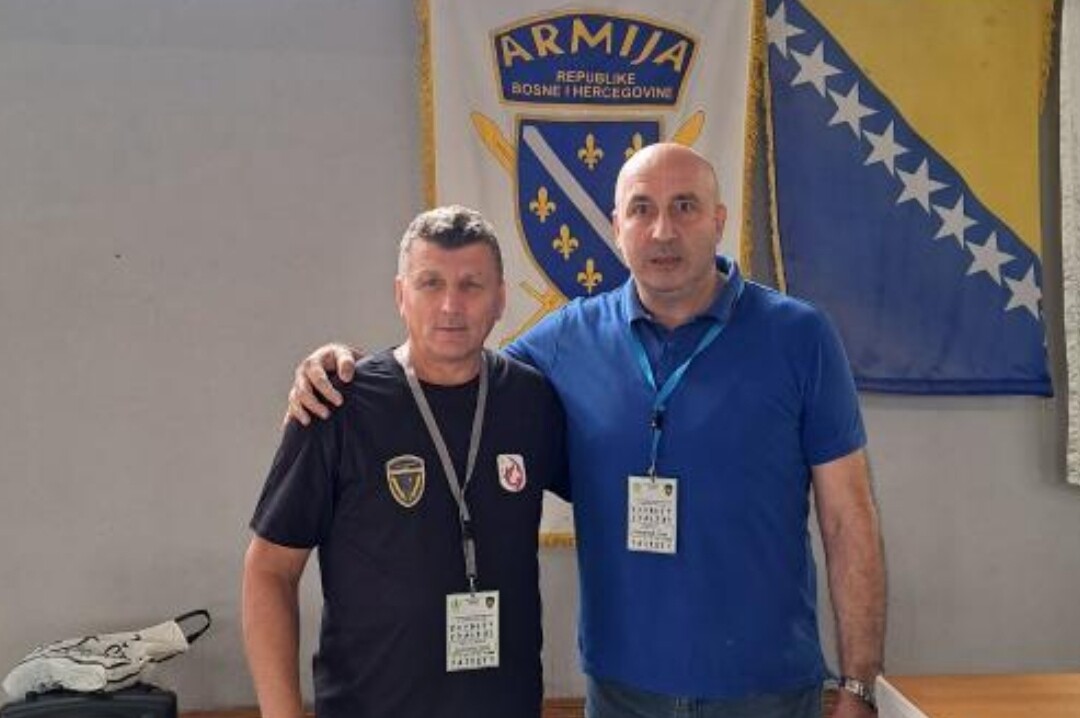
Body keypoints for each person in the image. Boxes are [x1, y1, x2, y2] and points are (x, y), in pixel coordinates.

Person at [286, 144, 886, 718]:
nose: (663, 231)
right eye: (642, 209)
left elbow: (848, 518)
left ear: (718, 220)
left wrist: (859, 682)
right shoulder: (565, 341)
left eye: (684, 206)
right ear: (617, 227)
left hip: (767, 688)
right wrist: (347, 368)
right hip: (623, 691)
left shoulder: (800, 337)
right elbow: (450, 374)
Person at [243, 205, 568, 718]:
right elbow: (269, 570)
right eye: (430, 283)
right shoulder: (337, 405)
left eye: (471, 285)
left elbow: (605, 491)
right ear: (401, 295)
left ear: (501, 299)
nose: (450, 305)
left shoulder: (532, 400)